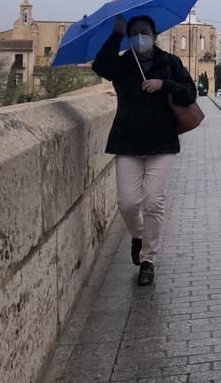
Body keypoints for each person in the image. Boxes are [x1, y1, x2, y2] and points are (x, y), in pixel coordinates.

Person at [92, 14, 196, 286]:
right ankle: (138, 236)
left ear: (154, 34)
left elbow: (190, 93)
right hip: (127, 142)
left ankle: (148, 259)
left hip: (161, 142)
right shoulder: (124, 64)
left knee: (153, 202)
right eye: (134, 32)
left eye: (145, 32)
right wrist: (115, 34)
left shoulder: (169, 63)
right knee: (127, 203)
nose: (140, 37)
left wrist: (164, 85)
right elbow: (101, 66)